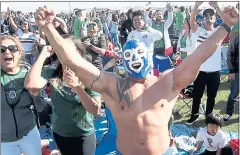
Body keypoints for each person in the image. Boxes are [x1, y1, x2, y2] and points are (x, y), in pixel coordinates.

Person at [33, 5, 239, 155]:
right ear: (123, 59)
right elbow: (75, 62)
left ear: (148, 56)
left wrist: (226, 25)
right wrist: (49, 28)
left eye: (139, 54)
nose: (135, 60)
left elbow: (199, 55)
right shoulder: (112, 85)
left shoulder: (168, 82)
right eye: (129, 56)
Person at [25, 36, 102, 155]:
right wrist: (43, 55)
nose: (63, 52)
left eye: (66, 48)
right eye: (60, 49)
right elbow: (31, 85)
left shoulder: (90, 74)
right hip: (60, 133)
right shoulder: (53, 71)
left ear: (79, 52)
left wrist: (77, 87)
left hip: (83, 135)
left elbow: (95, 110)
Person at [1, 35, 45, 155]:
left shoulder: (29, 74)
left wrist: (36, 95)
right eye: (2, 49)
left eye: (12, 48)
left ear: (19, 53)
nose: (7, 52)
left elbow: (41, 108)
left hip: (29, 133)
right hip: (4, 140)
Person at [186, 2, 225, 125]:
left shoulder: (219, 31)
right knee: (197, 96)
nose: (209, 18)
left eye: (211, 16)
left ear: (215, 19)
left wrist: (216, 7)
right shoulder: (198, 31)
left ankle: (209, 117)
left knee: (211, 97)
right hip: (200, 71)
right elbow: (192, 22)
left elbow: (228, 20)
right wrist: (196, 6)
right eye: (206, 16)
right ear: (202, 19)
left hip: (215, 72)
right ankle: (194, 115)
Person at [224, 35, 239, 121]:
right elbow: (230, 55)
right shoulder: (236, 39)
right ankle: (228, 113)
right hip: (237, 72)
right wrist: (232, 70)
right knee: (234, 93)